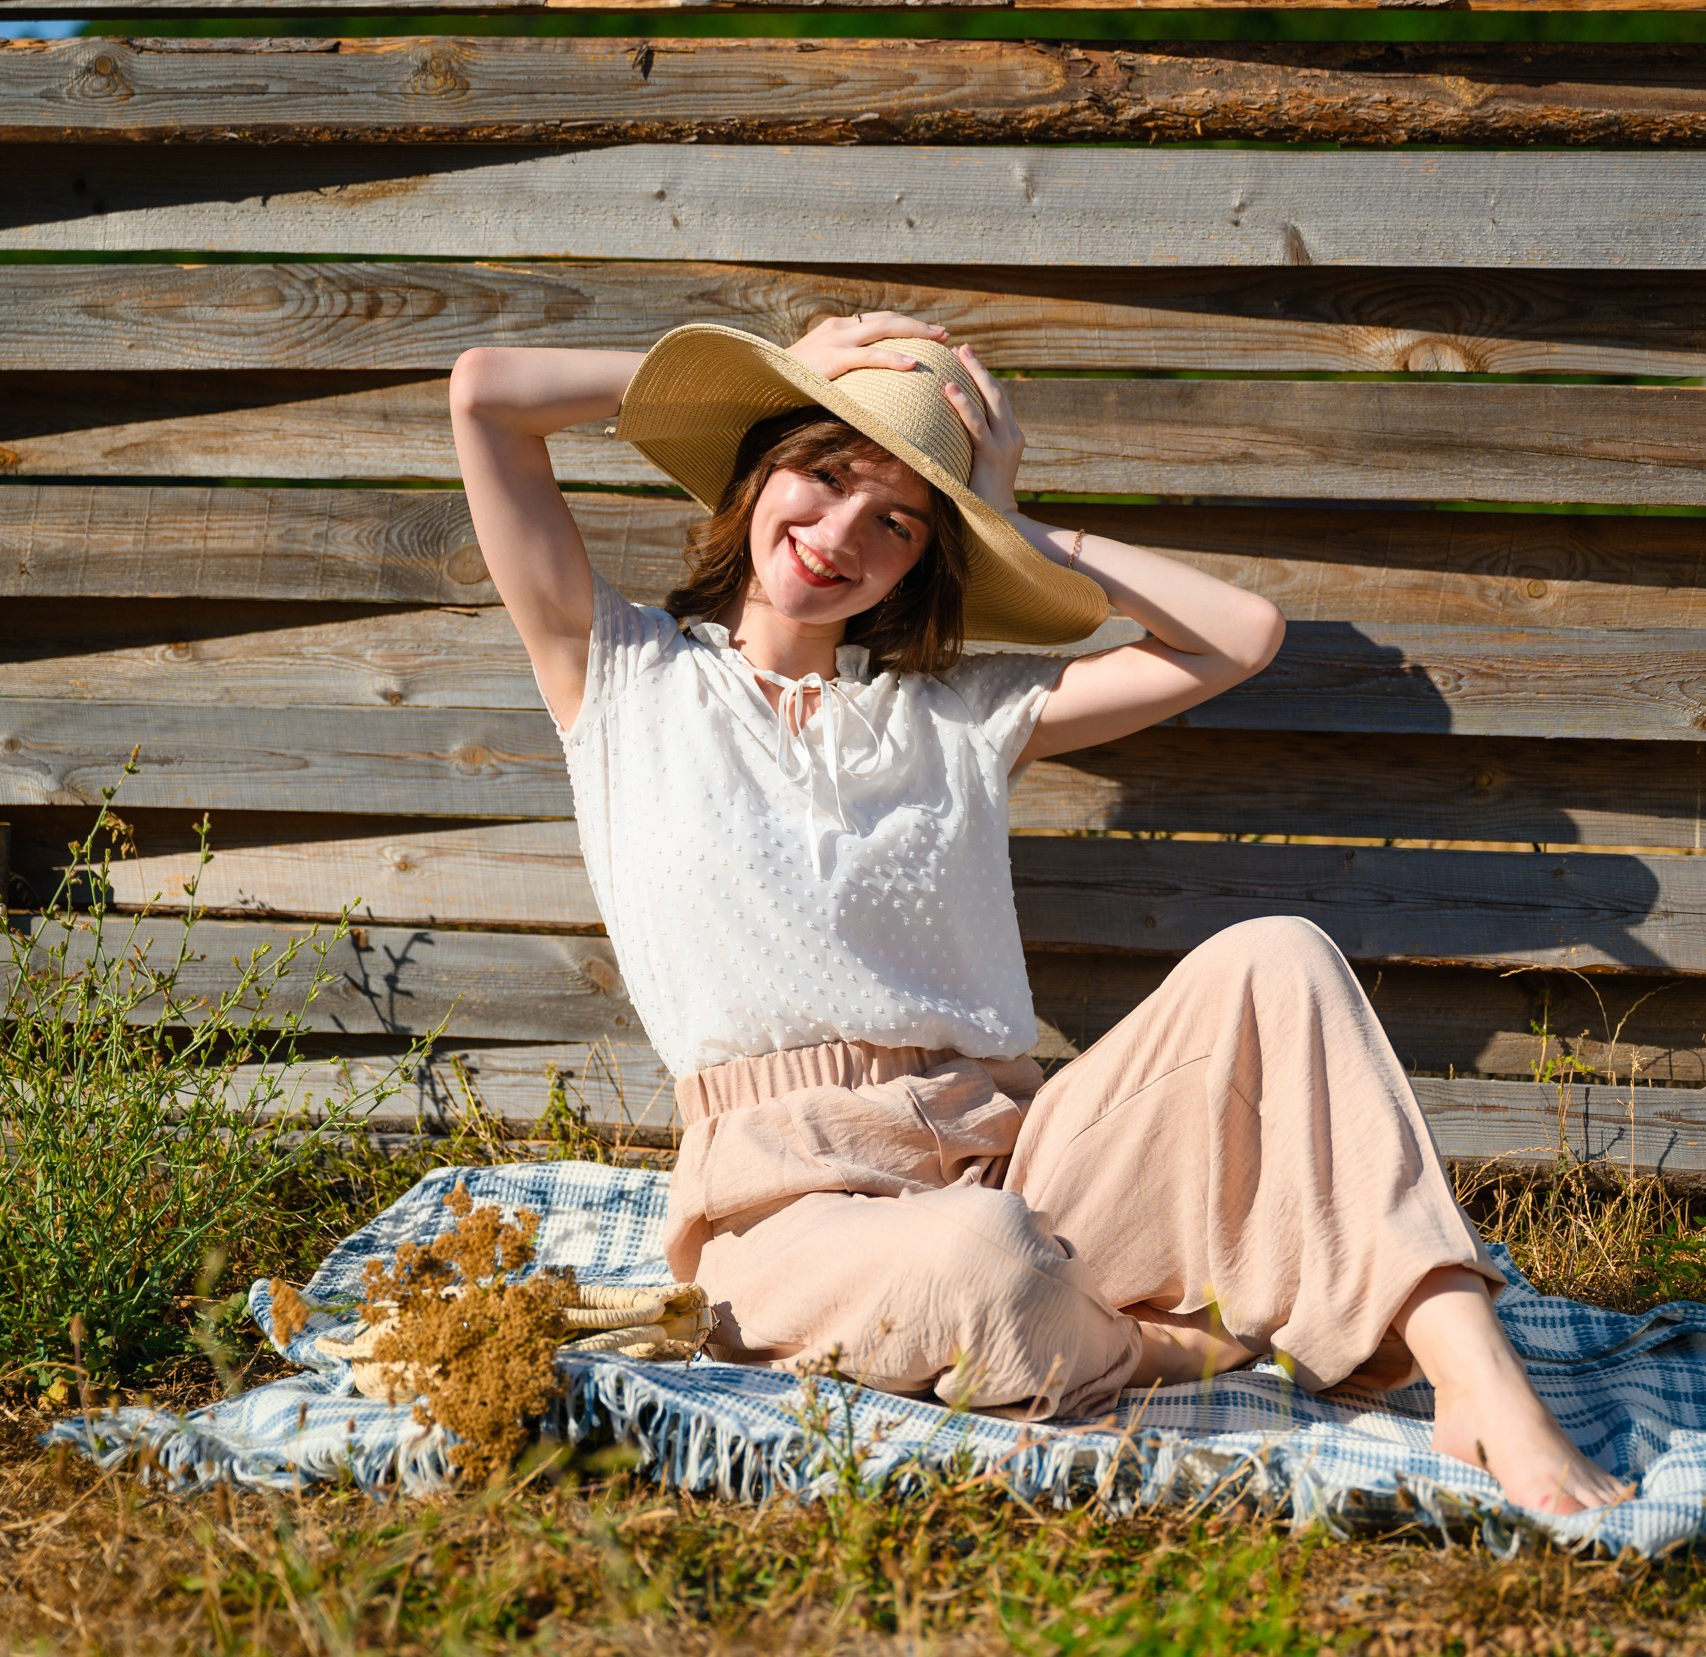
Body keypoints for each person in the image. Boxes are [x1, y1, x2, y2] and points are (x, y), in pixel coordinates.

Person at [449, 311, 1630, 1513]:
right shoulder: (622, 674)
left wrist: (1017, 528)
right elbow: (488, 392)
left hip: (1024, 1154)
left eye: (899, 520)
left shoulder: (954, 712)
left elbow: (1239, 636)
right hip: (793, 1207)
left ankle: (1481, 1384)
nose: (840, 533)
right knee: (978, 1261)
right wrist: (784, 370)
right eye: (823, 473)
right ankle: (1146, 1346)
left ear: (924, 559)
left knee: (1278, 957)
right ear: (761, 473)